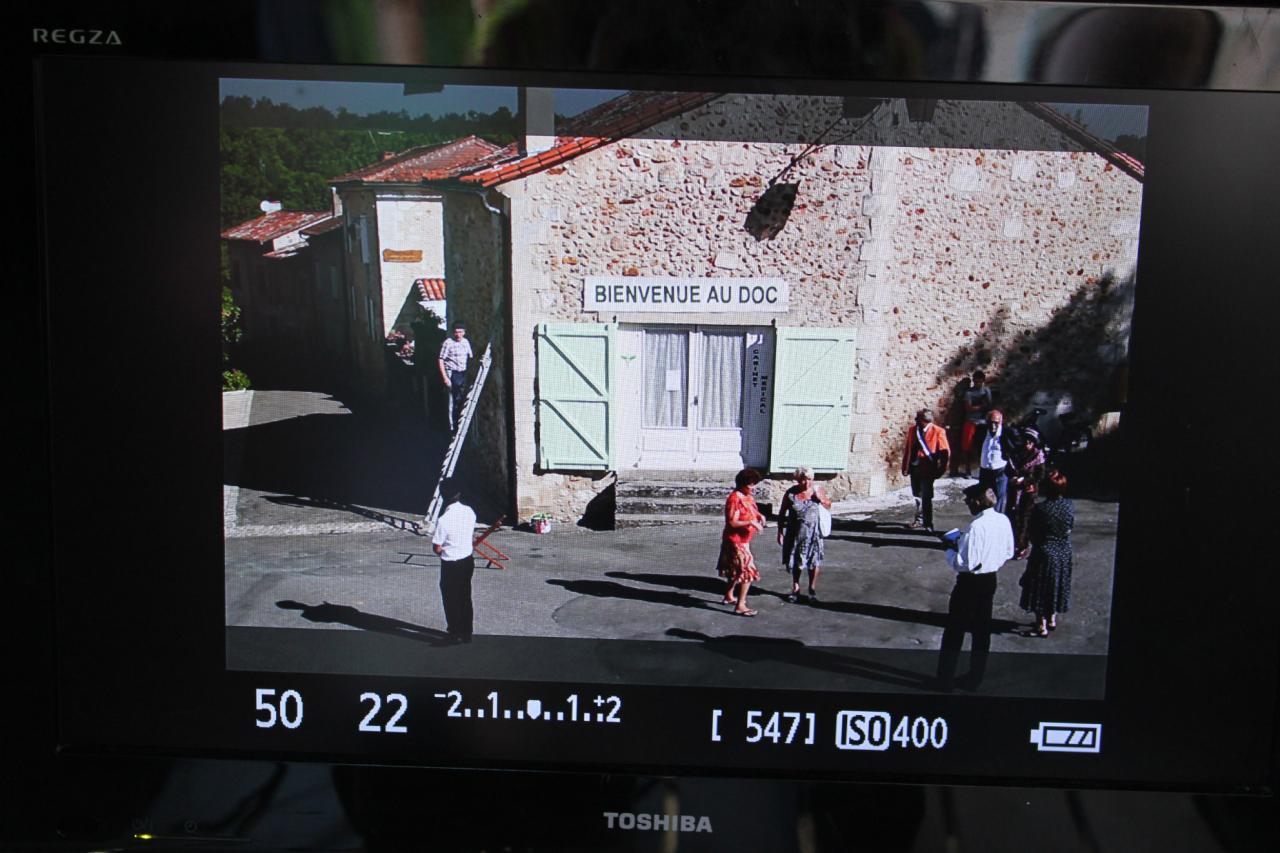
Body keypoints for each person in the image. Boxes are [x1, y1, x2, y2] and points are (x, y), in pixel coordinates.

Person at [936, 484, 1016, 691]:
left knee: (955, 630)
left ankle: (945, 679)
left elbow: (964, 563)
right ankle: (975, 677)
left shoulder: (976, 527)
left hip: (969, 582)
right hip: (990, 579)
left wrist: (950, 550)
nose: (967, 504)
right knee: (982, 631)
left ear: (978, 502)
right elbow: (1009, 552)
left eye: (969, 501)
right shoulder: (1003, 520)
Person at [1019, 469, 1075, 637]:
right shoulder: (1069, 506)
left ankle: (1041, 625)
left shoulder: (1041, 509)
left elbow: (1031, 531)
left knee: (1039, 588)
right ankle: (1051, 619)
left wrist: (1025, 543)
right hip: (1064, 551)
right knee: (1056, 585)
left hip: (1044, 552)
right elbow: (1070, 527)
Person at [431, 477, 477, 644]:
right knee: (465, 596)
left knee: (451, 598)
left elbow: (437, 547)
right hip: (467, 560)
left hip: (451, 563)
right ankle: (467, 632)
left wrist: (445, 550)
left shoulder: (444, 520)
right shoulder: (469, 511)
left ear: (443, 495)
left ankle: (454, 632)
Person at [777, 466, 831, 603]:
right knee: (797, 560)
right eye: (803, 479)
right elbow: (782, 513)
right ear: (797, 479)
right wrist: (780, 532)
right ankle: (796, 587)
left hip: (814, 534)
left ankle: (812, 589)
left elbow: (828, 505)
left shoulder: (817, 490)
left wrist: (821, 499)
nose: (807, 483)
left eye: (810, 479)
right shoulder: (791, 493)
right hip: (796, 533)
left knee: (814, 561)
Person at [718, 468, 767, 616]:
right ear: (743, 484)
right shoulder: (735, 498)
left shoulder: (747, 497)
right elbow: (732, 522)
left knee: (734, 568)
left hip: (744, 539)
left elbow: (751, 510)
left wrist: (759, 515)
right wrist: (750, 522)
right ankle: (741, 605)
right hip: (735, 540)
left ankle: (729, 595)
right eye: (751, 485)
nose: (753, 488)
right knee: (747, 571)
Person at [900, 408, 950, 530]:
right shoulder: (913, 430)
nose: (916, 420)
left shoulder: (938, 432)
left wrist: (941, 470)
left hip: (928, 470)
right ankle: (919, 519)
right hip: (914, 467)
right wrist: (905, 466)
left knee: (926, 497)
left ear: (925, 420)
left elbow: (945, 453)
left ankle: (927, 522)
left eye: (918, 418)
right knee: (917, 495)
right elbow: (908, 448)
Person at [1005, 426, 1046, 559]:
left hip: (1028, 491)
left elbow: (1040, 475)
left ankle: (1022, 545)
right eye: (1026, 441)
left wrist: (1026, 481)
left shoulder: (1038, 456)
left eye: (1030, 442)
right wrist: (1013, 477)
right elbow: (1008, 469)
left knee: (1025, 518)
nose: (1027, 444)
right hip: (1014, 489)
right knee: (1012, 515)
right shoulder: (1015, 453)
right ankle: (1011, 543)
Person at [437, 323, 474, 432]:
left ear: (464, 332)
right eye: (456, 332)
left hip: (463, 373)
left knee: (461, 399)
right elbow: (440, 359)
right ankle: (452, 428)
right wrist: (445, 377)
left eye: (460, 332)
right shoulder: (448, 343)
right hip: (452, 373)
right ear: (453, 332)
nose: (458, 334)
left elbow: (470, 357)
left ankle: (461, 424)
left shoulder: (465, 342)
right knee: (452, 400)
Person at [959, 371, 993, 477]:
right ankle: (967, 470)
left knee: (983, 446)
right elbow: (968, 408)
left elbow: (989, 405)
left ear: (983, 381)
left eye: (979, 382)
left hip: (983, 422)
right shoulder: (969, 393)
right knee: (967, 446)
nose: (977, 384)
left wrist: (981, 407)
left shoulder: (986, 391)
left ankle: (983, 469)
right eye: (976, 381)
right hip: (971, 421)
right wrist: (982, 406)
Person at [978, 408, 1010, 513]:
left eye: (996, 423)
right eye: (990, 423)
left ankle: (997, 519)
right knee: (984, 497)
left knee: (998, 498)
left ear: (1000, 422)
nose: (993, 426)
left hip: (999, 471)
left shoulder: (1006, 433)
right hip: (985, 471)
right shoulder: (982, 432)